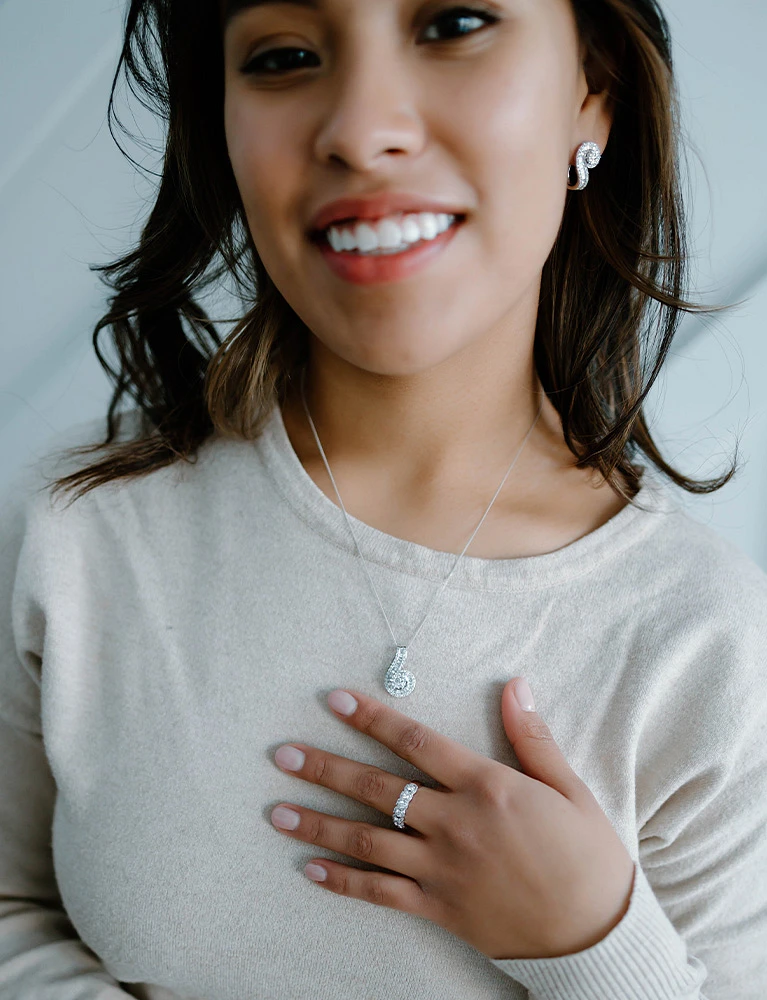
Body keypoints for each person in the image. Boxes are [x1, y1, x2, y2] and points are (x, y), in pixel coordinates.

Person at [1, 0, 765, 996]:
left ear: (593, 93)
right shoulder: (81, 529)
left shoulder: (700, 642)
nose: (360, 132)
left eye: (451, 24)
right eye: (282, 55)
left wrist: (598, 947)